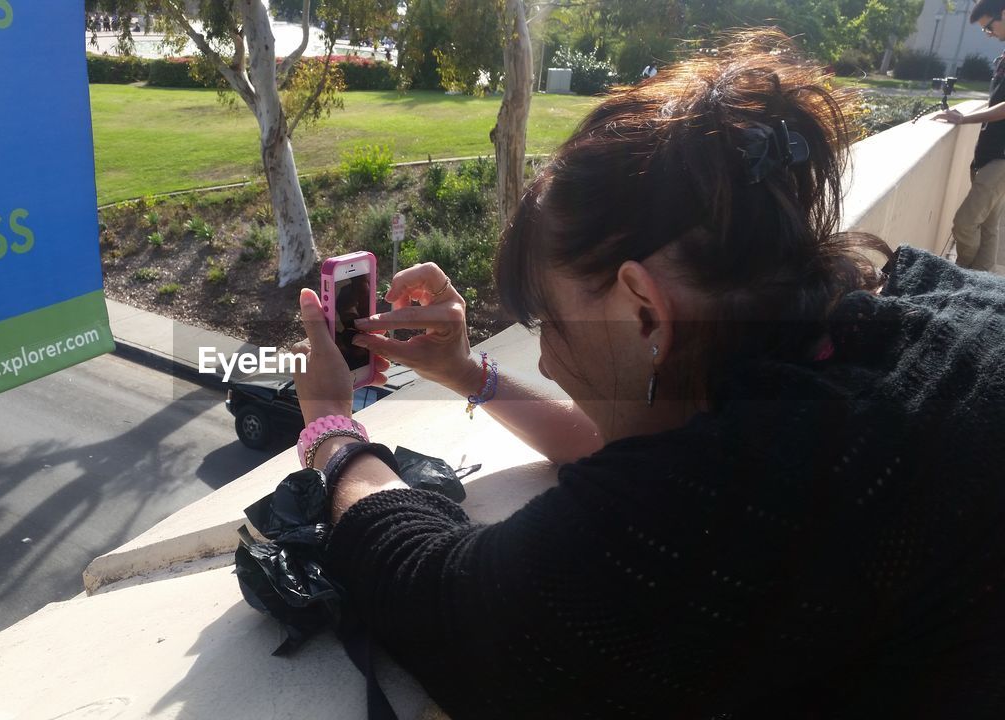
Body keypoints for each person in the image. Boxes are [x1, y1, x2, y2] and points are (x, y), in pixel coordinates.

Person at [289, 29, 1005, 718]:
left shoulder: (754, 492)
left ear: (644, 314)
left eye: (556, 327)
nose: (542, 359)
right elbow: (637, 443)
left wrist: (330, 429)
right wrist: (466, 372)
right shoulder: (889, 329)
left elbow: (442, 599)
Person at [933, 0, 1005, 270]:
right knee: (988, 226)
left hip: (1001, 157)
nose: (988, 34)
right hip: (990, 152)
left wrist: (965, 119)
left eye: (988, 26)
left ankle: (963, 275)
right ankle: (979, 286)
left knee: (964, 223)